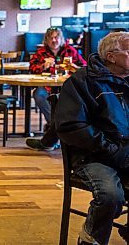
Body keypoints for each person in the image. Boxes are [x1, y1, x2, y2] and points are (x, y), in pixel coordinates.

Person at [55, 32, 129, 245]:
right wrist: (112, 150)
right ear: (112, 56)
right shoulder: (82, 82)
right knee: (110, 196)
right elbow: (71, 127)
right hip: (93, 155)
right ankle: (90, 240)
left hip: (125, 152)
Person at [26, 27, 87, 151]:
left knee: (68, 100)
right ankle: (56, 128)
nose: (54, 40)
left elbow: (84, 67)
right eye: (51, 38)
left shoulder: (70, 51)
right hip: (47, 85)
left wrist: (74, 67)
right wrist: (43, 66)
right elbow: (31, 69)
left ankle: (53, 132)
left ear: (61, 39)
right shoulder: (41, 52)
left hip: (67, 87)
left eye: (56, 37)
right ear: (46, 40)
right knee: (39, 95)